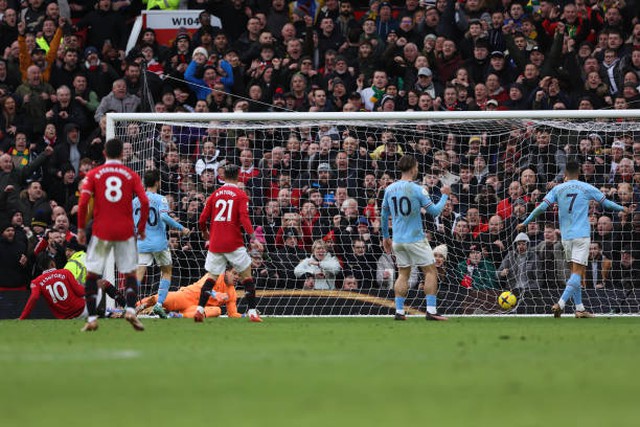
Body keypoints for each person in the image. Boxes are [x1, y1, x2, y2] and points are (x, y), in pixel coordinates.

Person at [519, 160, 627, 318]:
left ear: (565, 174)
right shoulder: (587, 187)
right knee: (578, 272)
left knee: (573, 274)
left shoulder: (558, 188)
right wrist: (622, 208)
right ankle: (560, 303)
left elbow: (541, 207)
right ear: (579, 172)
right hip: (581, 236)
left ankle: (579, 308)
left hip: (566, 237)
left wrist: (525, 222)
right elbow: (607, 204)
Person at [77, 138, 149, 332]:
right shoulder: (131, 174)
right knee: (130, 272)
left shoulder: (93, 174)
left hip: (101, 230)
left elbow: (83, 203)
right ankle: (131, 311)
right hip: (125, 231)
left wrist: (81, 229)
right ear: (121, 154)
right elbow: (144, 201)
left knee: (92, 273)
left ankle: (92, 318)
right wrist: (141, 228)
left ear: (104, 153)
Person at [380, 155, 451, 321]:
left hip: (398, 240)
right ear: (412, 168)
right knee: (430, 272)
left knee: (403, 274)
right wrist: (445, 195)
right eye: (417, 166)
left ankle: (399, 312)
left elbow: (384, 215)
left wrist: (385, 237)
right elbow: (434, 211)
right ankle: (431, 311)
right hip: (416, 239)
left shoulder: (389, 189)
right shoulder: (418, 189)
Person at [196, 164, 261, 323]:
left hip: (216, 243)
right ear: (238, 176)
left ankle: (199, 309)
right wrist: (253, 237)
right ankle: (252, 312)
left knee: (211, 277)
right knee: (247, 276)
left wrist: (205, 233)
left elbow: (202, 219)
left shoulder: (214, 194)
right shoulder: (240, 194)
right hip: (233, 243)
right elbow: (244, 218)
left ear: (223, 176)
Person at [133, 169, 190, 319]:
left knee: (138, 275)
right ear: (158, 182)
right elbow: (164, 216)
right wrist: (181, 228)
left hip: (142, 243)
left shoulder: (135, 201)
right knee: (166, 272)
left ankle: (128, 306)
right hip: (159, 244)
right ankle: (159, 305)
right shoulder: (161, 199)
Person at [136, 268, 241, 319]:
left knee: (217, 310)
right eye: (235, 273)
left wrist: (246, 315)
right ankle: (132, 308)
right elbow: (203, 287)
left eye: (239, 275)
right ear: (226, 271)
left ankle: (178, 316)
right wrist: (215, 294)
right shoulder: (214, 276)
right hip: (186, 296)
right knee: (158, 299)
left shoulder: (232, 293)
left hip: (196, 309)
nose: (237, 277)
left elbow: (232, 314)